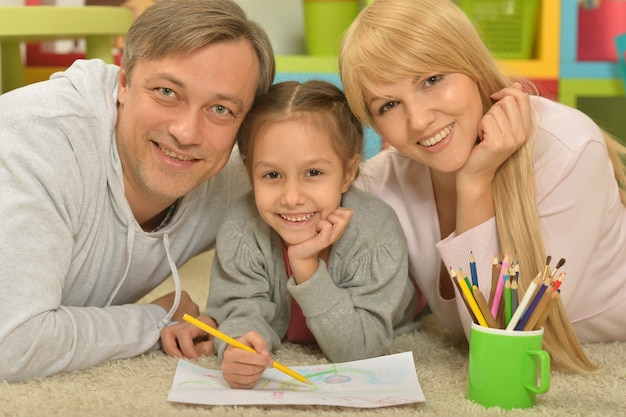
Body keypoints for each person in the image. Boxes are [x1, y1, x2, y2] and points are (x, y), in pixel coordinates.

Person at [339, 0, 626, 373]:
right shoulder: (384, 180)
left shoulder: (567, 147)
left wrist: (475, 182)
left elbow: (503, 348)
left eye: (431, 80)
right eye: (389, 104)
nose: (419, 119)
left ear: (473, 64)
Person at [0, 0, 275, 383]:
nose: (186, 133)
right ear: (124, 83)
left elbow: (339, 187)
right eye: (166, 91)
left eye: (220, 110)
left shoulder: (234, 172)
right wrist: (155, 319)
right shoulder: (36, 140)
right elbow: (12, 346)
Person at [160, 80, 421, 389]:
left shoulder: (375, 230)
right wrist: (240, 344)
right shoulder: (243, 226)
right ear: (250, 174)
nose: (292, 197)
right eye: (272, 175)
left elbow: (358, 349)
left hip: (403, 304)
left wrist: (307, 267)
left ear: (348, 173)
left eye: (313, 173)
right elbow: (240, 308)